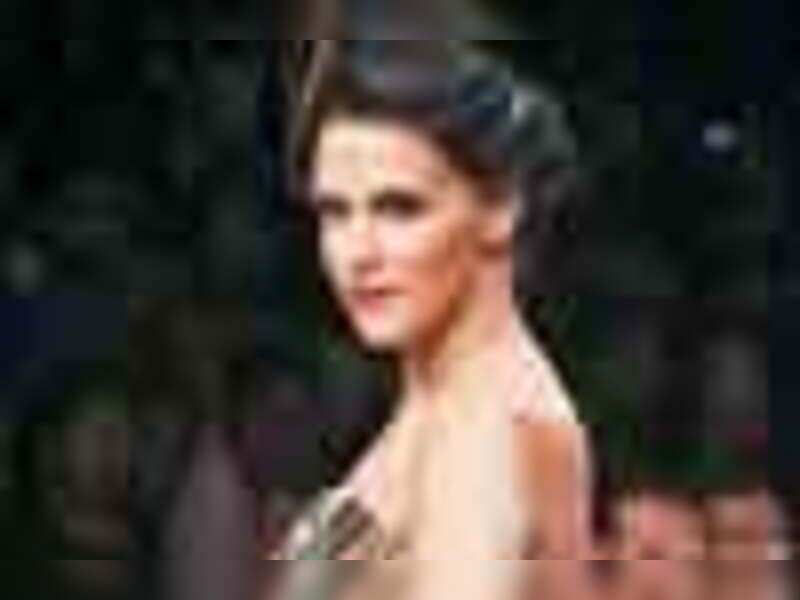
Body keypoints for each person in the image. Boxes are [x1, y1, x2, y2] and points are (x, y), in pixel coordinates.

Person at [268, 40, 592, 600]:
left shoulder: (482, 430)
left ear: (501, 208)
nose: (358, 252)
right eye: (334, 212)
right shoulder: (448, 408)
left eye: (400, 208)